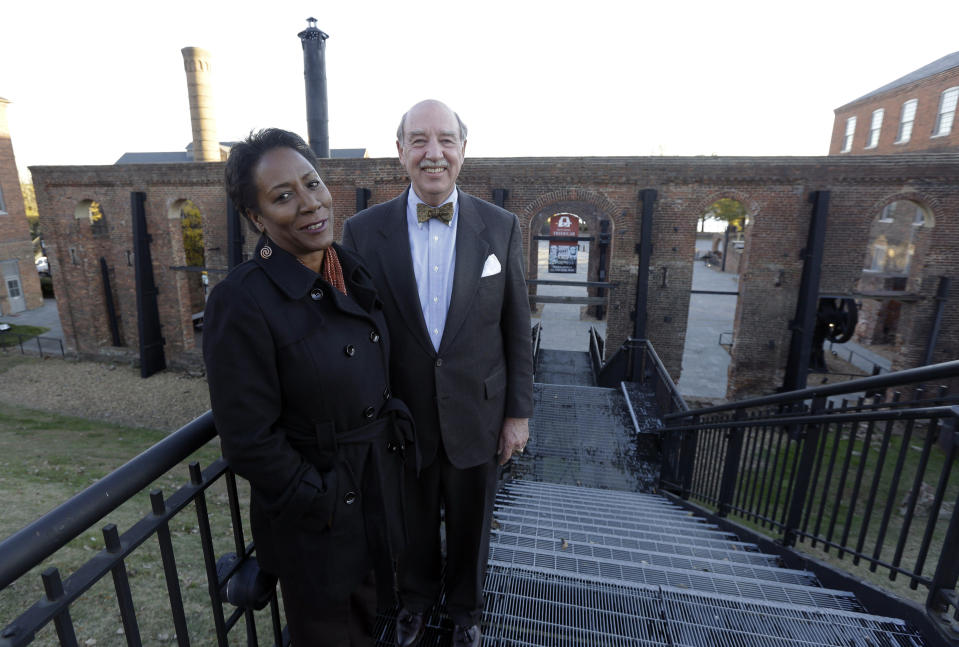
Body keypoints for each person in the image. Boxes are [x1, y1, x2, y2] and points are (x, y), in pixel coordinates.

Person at [204, 128, 412, 646]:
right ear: (256, 218)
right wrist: (320, 500)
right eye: (282, 196)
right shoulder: (242, 301)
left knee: (369, 619)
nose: (309, 203)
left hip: (373, 490)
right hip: (319, 523)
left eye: (312, 184)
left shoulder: (348, 266)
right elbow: (248, 438)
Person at [342, 100, 534, 647]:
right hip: (402, 420)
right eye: (419, 140)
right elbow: (356, 333)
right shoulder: (362, 231)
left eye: (446, 140)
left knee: (472, 526)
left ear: (463, 151)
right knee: (412, 523)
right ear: (400, 151)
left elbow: (517, 327)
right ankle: (416, 603)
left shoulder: (501, 227)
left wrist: (517, 414)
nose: (434, 153)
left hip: (479, 410)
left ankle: (467, 612)